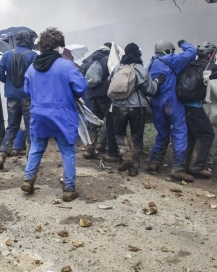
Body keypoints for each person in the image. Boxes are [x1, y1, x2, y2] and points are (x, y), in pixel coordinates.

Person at [22, 27, 87, 201]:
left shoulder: (31, 68)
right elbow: (81, 88)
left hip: (39, 114)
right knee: (67, 151)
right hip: (63, 115)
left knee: (36, 149)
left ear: (41, 47)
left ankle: (28, 180)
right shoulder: (67, 66)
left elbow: (26, 91)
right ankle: (69, 189)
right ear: (58, 46)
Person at [182, 42, 217, 176]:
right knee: (206, 134)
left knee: (192, 134)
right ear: (209, 55)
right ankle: (196, 166)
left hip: (182, 105)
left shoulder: (189, 64)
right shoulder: (207, 66)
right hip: (194, 106)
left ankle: (186, 164)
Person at [145, 40, 197, 182]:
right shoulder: (171, 59)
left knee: (162, 133)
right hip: (171, 101)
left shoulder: (149, 64)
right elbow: (191, 53)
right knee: (180, 131)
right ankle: (178, 168)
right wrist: (184, 43)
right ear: (169, 50)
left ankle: (154, 163)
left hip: (155, 102)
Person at [109, 43, 162, 176]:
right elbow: (150, 90)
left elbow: (111, 82)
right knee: (136, 137)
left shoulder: (118, 67)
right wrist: (156, 82)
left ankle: (125, 154)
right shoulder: (140, 68)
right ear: (138, 53)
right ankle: (133, 168)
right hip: (137, 107)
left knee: (120, 133)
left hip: (118, 107)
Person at [0, 30, 38, 169]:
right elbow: (36, 76)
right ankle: (31, 158)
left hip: (11, 97)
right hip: (27, 97)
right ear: (28, 40)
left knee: (12, 126)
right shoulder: (33, 55)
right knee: (30, 126)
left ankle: (2, 155)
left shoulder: (7, 54)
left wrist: (9, 82)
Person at [80, 42, 118, 161]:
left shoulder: (90, 61)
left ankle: (89, 150)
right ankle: (111, 152)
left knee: (93, 123)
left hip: (92, 97)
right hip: (106, 97)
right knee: (110, 123)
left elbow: (81, 76)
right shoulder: (109, 61)